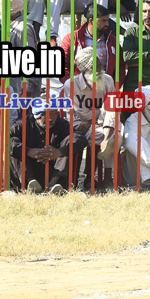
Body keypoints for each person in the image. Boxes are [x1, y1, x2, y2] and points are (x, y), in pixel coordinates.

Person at [55, 46, 116, 192]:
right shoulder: (72, 84)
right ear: (85, 70)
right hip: (79, 123)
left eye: (100, 65)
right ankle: (90, 176)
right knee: (106, 135)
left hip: (102, 123)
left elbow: (112, 106)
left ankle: (107, 178)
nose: (101, 69)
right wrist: (99, 116)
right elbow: (80, 113)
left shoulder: (108, 80)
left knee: (114, 132)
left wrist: (100, 118)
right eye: (96, 67)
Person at [8, 103, 74, 195]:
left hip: (53, 168)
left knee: (69, 144)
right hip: (30, 168)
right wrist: (27, 151)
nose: (51, 119)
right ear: (37, 116)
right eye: (48, 115)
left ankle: (52, 185)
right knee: (13, 145)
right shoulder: (23, 123)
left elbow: (79, 138)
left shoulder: (61, 123)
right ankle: (32, 185)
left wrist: (58, 152)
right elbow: (4, 141)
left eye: (54, 114)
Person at [58, 5, 117, 87]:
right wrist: (72, 84)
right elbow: (62, 65)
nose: (107, 24)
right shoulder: (71, 39)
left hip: (104, 90)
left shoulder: (112, 40)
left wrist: (113, 87)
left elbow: (120, 67)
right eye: (103, 20)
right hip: (77, 90)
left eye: (107, 20)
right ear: (91, 21)